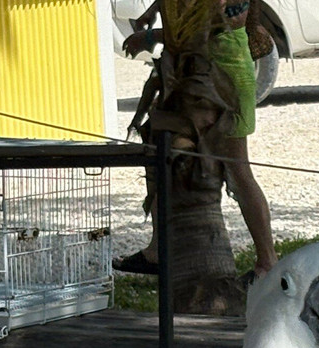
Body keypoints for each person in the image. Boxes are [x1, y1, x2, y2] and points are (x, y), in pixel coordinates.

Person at [116, 0, 278, 279]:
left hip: (222, 75)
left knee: (238, 172)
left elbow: (215, 23)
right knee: (160, 158)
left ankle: (267, 261)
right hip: (188, 75)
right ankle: (157, 251)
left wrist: (150, 37)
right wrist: (152, 12)